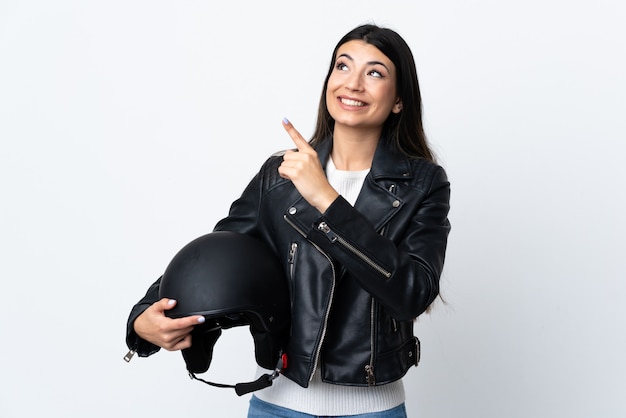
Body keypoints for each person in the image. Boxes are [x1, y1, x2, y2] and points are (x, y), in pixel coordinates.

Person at [125, 23, 451, 417]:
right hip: (277, 406)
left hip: (373, 409)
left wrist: (327, 201)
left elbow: (413, 293)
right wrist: (143, 317)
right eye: (342, 66)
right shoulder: (279, 175)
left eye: (375, 73)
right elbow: (222, 254)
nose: (353, 83)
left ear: (399, 100)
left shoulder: (423, 184)